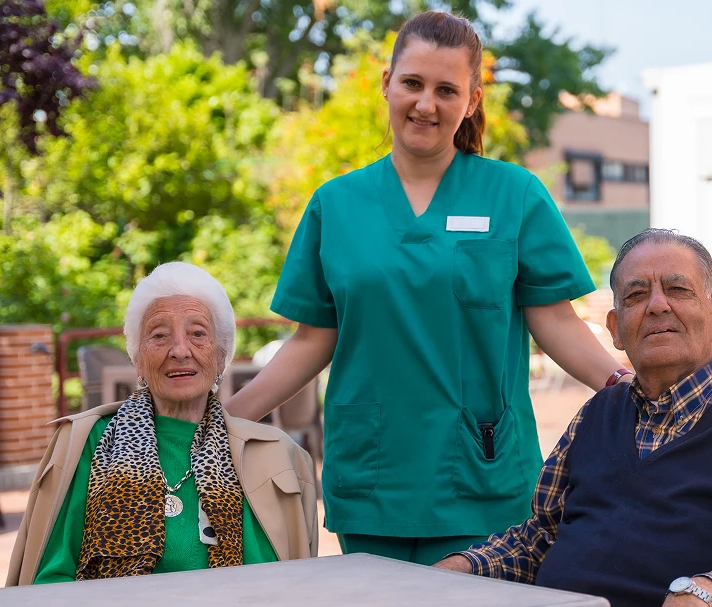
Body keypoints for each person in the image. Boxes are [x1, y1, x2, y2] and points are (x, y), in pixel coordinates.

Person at [225, 11, 631, 566]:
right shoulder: (335, 206)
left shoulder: (514, 195)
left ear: (472, 100)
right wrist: (218, 422)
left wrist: (625, 386)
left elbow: (555, 319)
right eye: (413, 83)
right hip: (373, 480)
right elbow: (313, 339)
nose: (425, 104)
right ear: (386, 83)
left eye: (446, 90)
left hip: (481, 476)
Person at [435, 229, 712, 607]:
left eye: (678, 289)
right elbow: (539, 540)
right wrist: (455, 569)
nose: (657, 305)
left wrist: (701, 591)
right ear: (615, 329)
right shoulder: (598, 413)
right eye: (636, 295)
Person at [7, 262, 318, 585]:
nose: (180, 350)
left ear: (221, 356)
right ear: (137, 359)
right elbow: (51, 579)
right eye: (159, 335)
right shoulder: (88, 441)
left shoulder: (276, 456)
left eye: (198, 334)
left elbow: (293, 587)